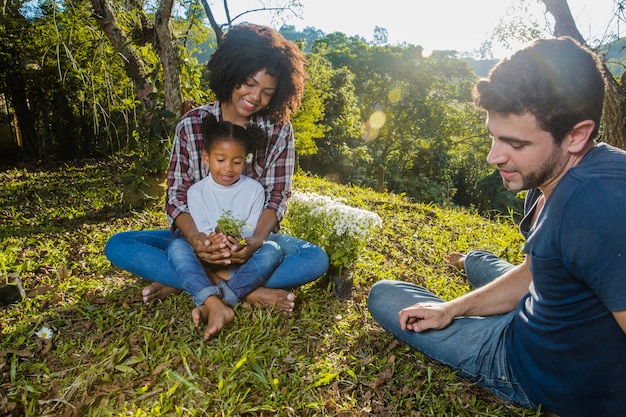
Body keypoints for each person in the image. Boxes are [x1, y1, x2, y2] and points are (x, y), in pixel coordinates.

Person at [367, 37, 626, 417]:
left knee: (384, 294)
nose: (494, 156)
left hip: (530, 367)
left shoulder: (595, 210)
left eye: (515, 144)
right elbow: (537, 270)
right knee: (488, 264)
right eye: (493, 136)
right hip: (547, 307)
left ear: (576, 135)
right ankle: (473, 262)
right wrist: (451, 309)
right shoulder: (577, 167)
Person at [105, 23, 329, 333]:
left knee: (314, 260)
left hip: (252, 242)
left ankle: (191, 281)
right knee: (121, 245)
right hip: (196, 236)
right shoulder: (191, 124)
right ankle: (244, 289)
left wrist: (255, 241)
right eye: (249, 84)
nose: (255, 98)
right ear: (230, 72)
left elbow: (278, 196)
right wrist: (197, 240)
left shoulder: (278, 130)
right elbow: (177, 195)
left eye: (267, 92)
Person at [166, 114, 283, 338]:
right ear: (206, 157)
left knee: (273, 250)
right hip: (208, 255)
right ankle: (232, 292)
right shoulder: (197, 192)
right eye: (221, 160)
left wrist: (239, 244)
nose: (228, 168)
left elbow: (250, 228)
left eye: (237, 162)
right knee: (177, 248)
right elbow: (203, 229)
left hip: (242, 256)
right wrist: (214, 243)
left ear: (245, 160)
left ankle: (214, 296)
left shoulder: (255, 190)